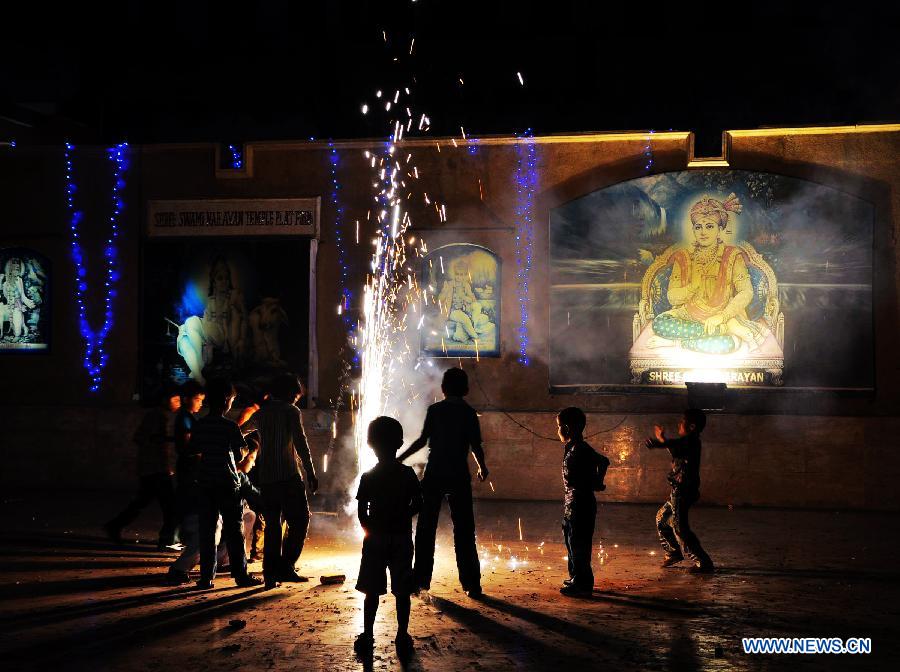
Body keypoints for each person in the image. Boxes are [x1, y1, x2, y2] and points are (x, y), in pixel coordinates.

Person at [397, 367, 488, 597]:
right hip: (458, 474)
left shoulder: (435, 410)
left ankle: (420, 580)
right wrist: (482, 466)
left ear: (443, 387)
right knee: (465, 530)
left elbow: (421, 441)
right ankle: (471, 584)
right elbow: (475, 445)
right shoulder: (469, 413)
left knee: (426, 528)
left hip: (435, 473)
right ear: (465, 388)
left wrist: (399, 458)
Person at [647, 194, 768, 354]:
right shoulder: (683, 257)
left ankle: (675, 342)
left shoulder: (732, 256)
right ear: (693, 230)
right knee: (659, 323)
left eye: (709, 226)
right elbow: (672, 297)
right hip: (689, 315)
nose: (703, 232)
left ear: (720, 229)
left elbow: (746, 292)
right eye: (698, 227)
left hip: (723, 313)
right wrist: (693, 287)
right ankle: (723, 330)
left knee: (726, 345)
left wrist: (722, 317)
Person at [240, 373, 318, 589]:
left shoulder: (262, 412)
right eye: (296, 395)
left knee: (273, 526)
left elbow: (241, 432)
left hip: (267, 479)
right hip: (288, 476)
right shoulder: (291, 411)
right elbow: (300, 442)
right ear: (291, 394)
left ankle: (270, 574)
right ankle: (286, 566)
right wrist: (310, 472)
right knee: (299, 520)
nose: (297, 399)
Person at [354, 416, 422, 658]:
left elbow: (362, 512)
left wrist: (370, 532)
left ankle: (368, 634)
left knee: (371, 591)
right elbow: (418, 502)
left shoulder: (368, 476)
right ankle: (402, 635)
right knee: (402, 590)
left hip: (375, 540)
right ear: (400, 443)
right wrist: (402, 517)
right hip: (402, 537)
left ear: (370, 444)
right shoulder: (407, 474)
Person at [194, 379, 262, 588]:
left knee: (207, 531)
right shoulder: (230, 427)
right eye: (232, 399)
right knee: (234, 530)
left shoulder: (200, 425)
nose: (232, 403)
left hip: (205, 483)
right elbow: (241, 454)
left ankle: (206, 577)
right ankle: (240, 575)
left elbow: (192, 450)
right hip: (227, 483)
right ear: (226, 401)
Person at [105, 385, 180, 549]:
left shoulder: (158, 416)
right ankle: (167, 539)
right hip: (156, 469)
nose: (178, 403)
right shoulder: (158, 417)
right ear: (165, 400)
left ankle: (115, 525)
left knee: (143, 502)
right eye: (175, 399)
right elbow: (143, 438)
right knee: (169, 506)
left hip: (152, 468)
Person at [645, 409, 714, 573]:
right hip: (679, 490)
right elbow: (676, 449)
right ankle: (673, 552)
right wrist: (662, 441)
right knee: (662, 519)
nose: (679, 423)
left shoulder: (692, 441)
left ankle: (703, 562)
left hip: (683, 491)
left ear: (691, 426)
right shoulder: (688, 443)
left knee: (680, 528)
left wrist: (659, 443)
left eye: (682, 421)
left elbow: (676, 445)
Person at [556, 407, 609, 596]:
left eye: (560, 426)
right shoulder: (572, 447)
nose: (558, 431)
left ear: (568, 428)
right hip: (572, 505)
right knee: (571, 542)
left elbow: (603, 461)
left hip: (581, 505)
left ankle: (583, 585)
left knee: (579, 545)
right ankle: (575, 577)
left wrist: (597, 482)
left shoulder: (581, 449)